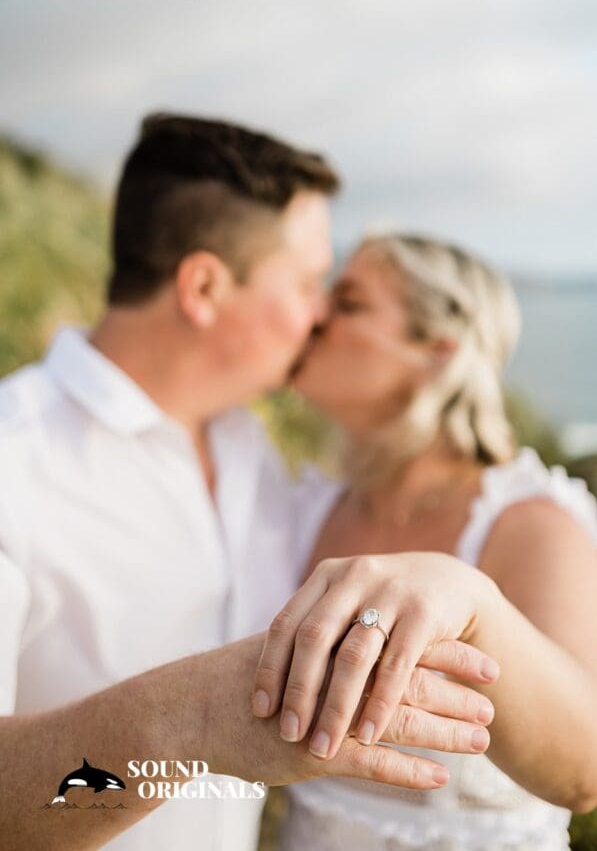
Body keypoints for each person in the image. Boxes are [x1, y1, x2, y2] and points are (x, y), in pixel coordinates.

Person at [0, 115, 501, 851]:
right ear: (204, 287)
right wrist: (197, 717)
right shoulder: (15, 461)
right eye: (307, 283)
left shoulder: (253, 455)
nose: (323, 313)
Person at [249, 233, 597, 851]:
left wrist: (475, 603)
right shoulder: (306, 510)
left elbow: (587, 773)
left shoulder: (530, 524)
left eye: (349, 302)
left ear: (436, 354)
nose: (316, 315)